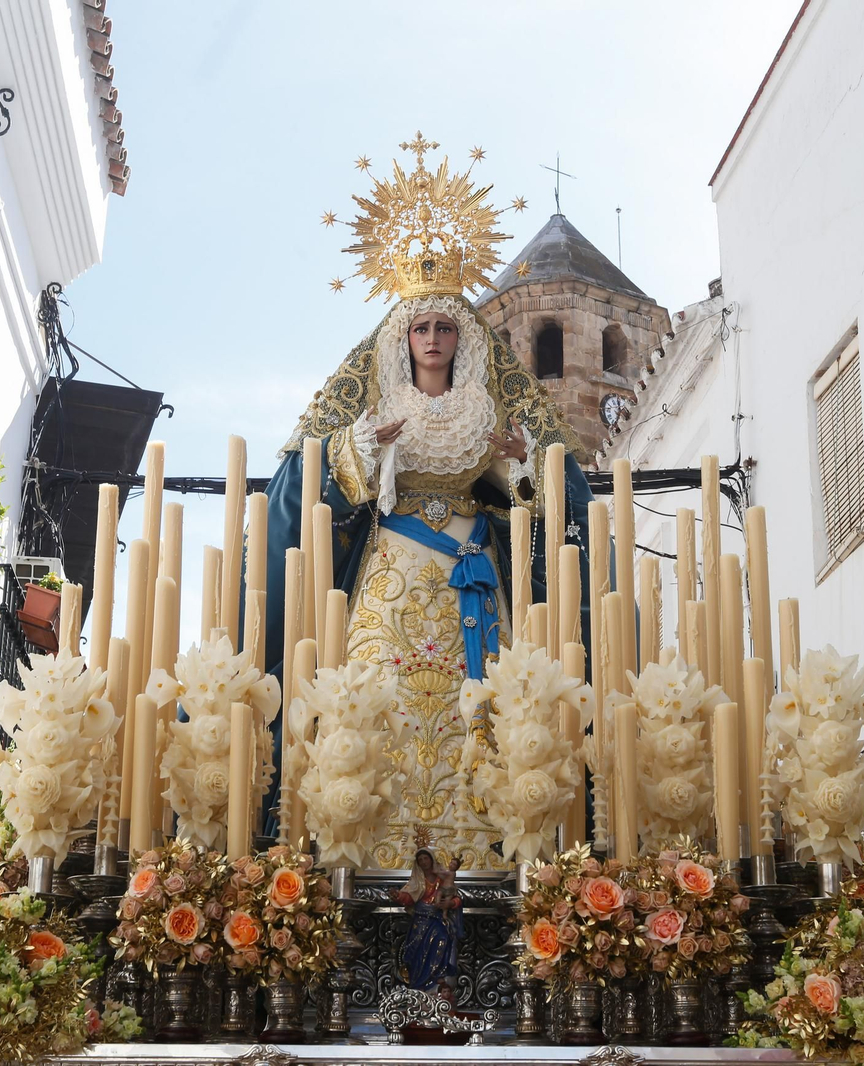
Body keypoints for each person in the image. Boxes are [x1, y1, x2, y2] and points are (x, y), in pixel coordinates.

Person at [260, 135, 597, 869]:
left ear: (463, 338)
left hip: (472, 574)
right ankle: (374, 854)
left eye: (446, 327)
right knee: (383, 702)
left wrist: (519, 470)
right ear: (403, 338)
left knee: (479, 710)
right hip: (394, 569)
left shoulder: (486, 409)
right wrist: (363, 446)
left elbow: (535, 502)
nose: (435, 338)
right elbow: (322, 482)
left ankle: (481, 859)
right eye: (422, 327)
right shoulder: (375, 408)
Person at [389, 849, 463, 994]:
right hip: (420, 922)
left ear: (431, 860)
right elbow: (409, 897)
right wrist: (398, 896)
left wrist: (450, 904)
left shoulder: (442, 878)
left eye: (426, 858)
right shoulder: (417, 880)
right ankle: (418, 986)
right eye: (420, 860)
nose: (423, 862)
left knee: (442, 938)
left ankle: (438, 979)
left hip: (437, 919)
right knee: (417, 952)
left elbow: (457, 897)